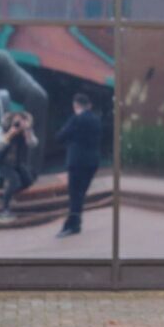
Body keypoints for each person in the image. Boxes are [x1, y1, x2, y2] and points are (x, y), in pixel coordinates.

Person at [55, 93, 102, 238]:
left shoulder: (76, 119)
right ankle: (75, 222)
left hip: (77, 161)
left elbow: (60, 137)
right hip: (93, 161)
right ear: (89, 105)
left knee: (75, 194)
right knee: (80, 194)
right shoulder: (96, 120)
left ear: (76, 106)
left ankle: (72, 225)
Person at [0, 110, 38, 223]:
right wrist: (10, 133)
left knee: (28, 180)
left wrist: (27, 131)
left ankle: (2, 196)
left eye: (21, 120)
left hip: (15, 162)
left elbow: (33, 144)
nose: (19, 123)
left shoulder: (25, 130)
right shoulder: (2, 129)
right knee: (15, 180)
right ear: (11, 120)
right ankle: (4, 210)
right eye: (17, 120)